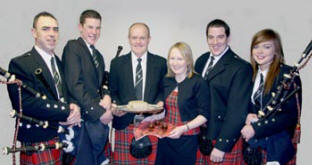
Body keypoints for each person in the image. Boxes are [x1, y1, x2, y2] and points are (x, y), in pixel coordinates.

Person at [6, 11, 81, 165]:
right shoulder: (21, 64)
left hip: (64, 137)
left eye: (55, 29)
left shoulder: (59, 63)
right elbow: (24, 103)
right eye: (45, 29)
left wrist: (73, 107)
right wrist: (66, 112)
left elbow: (63, 94)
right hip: (39, 139)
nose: (52, 34)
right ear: (34, 32)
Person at [194, 19, 253, 164]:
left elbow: (237, 111)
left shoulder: (240, 67)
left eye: (220, 37)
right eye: (211, 37)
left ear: (228, 37)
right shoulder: (201, 60)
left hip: (222, 138)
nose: (215, 42)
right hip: (201, 136)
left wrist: (222, 145)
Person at [240, 29, 302, 165]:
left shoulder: (288, 75)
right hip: (253, 146)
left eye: (266, 47)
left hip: (276, 147)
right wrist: (247, 116)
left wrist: (256, 128)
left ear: (276, 50)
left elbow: (289, 116)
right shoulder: (250, 75)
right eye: (256, 47)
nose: (260, 52)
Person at [109, 22, 167, 165]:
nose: (138, 41)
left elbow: (163, 89)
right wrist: (115, 106)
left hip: (152, 125)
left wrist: (160, 101)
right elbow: (113, 91)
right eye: (134, 37)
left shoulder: (160, 63)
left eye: (142, 38)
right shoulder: (116, 63)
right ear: (129, 39)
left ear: (149, 39)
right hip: (124, 124)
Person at [62, 9, 113, 165]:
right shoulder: (73, 47)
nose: (94, 32)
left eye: (97, 28)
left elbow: (100, 84)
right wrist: (99, 113)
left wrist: (107, 95)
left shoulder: (98, 56)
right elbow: (74, 85)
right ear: (80, 27)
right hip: (81, 123)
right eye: (90, 27)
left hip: (95, 126)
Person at [154, 42, 209, 165]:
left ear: (188, 61)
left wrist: (183, 128)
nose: (175, 62)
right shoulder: (166, 80)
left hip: (187, 138)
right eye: (172, 58)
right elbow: (164, 108)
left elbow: (204, 115)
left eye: (180, 59)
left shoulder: (198, 82)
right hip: (166, 137)